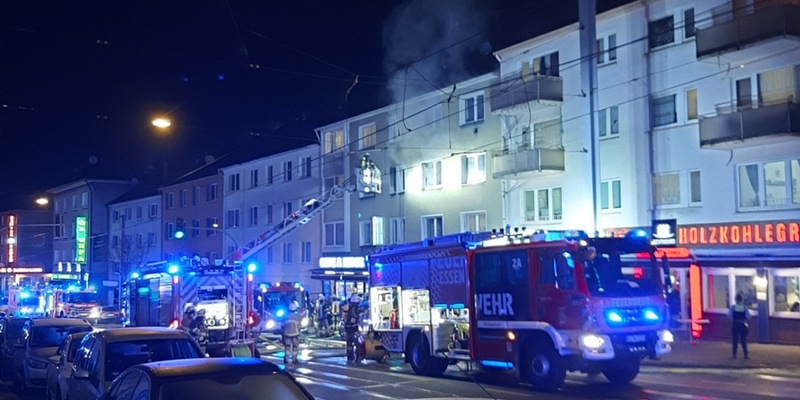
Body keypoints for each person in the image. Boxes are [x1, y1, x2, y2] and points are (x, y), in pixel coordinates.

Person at [727, 293, 751, 359]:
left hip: (735, 324)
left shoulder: (733, 307)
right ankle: (745, 355)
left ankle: (734, 355)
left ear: (735, 299)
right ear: (742, 299)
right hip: (742, 324)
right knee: (743, 340)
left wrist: (733, 319)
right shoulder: (744, 307)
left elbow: (728, 315)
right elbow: (748, 316)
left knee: (735, 340)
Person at [344, 294, 362, 364]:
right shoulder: (357, 308)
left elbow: (344, 317)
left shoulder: (347, 307)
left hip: (347, 327)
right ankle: (358, 356)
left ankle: (350, 357)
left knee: (349, 343)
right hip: (354, 327)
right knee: (358, 343)